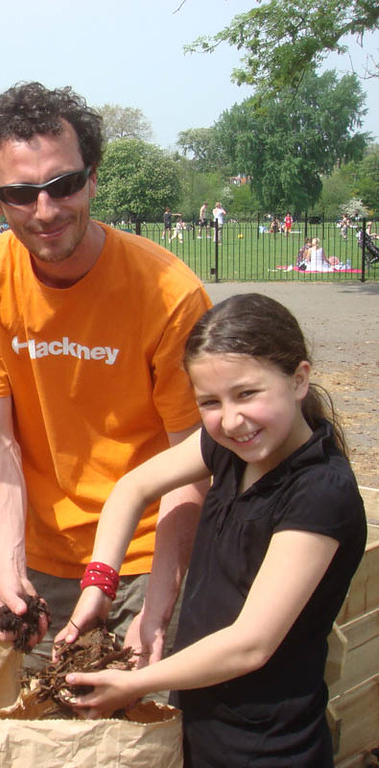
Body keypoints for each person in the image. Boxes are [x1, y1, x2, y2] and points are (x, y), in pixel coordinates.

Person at [0, 81, 210, 657]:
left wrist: (158, 602)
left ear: (93, 179)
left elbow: (194, 460)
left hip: (149, 556)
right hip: (44, 561)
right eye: (21, 193)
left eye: (64, 184)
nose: (46, 210)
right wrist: (8, 569)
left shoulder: (168, 293)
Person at [58, 294, 366, 767]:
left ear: (299, 379)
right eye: (209, 402)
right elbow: (132, 487)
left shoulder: (320, 492)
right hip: (203, 727)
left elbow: (250, 644)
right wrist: (98, 585)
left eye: (247, 393)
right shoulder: (231, 446)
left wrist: (133, 685)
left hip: (269, 747)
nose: (231, 418)